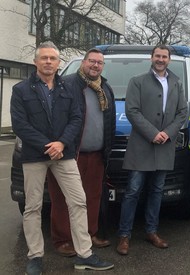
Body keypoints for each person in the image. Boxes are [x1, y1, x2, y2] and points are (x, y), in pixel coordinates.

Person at [10, 41, 114, 274]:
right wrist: (48, 145)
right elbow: (20, 125)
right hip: (35, 156)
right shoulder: (21, 90)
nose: (48, 62)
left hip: (64, 154)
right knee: (33, 207)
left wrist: (62, 142)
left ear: (59, 64)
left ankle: (84, 254)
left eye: (53, 59)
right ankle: (35, 256)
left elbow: (76, 119)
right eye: (44, 58)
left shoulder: (68, 88)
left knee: (78, 201)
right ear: (36, 61)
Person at [116, 45, 188, 255]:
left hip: (165, 145)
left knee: (157, 191)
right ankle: (124, 235)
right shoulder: (137, 81)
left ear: (169, 59)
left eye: (164, 56)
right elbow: (132, 110)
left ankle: (151, 231)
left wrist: (167, 133)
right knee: (132, 191)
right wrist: (153, 133)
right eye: (157, 56)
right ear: (151, 58)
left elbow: (182, 112)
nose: (160, 59)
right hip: (142, 145)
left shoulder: (176, 82)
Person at [47, 48, 115, 257]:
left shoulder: (105, 88)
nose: (96, 66)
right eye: (92, 61)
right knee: (62, 198)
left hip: (96, 155)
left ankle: (88, 234)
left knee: (92, 197)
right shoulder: (65, 84)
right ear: (83, 63)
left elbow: (109, 121)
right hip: (69, 154)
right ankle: (63, 239)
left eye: (99, 63)